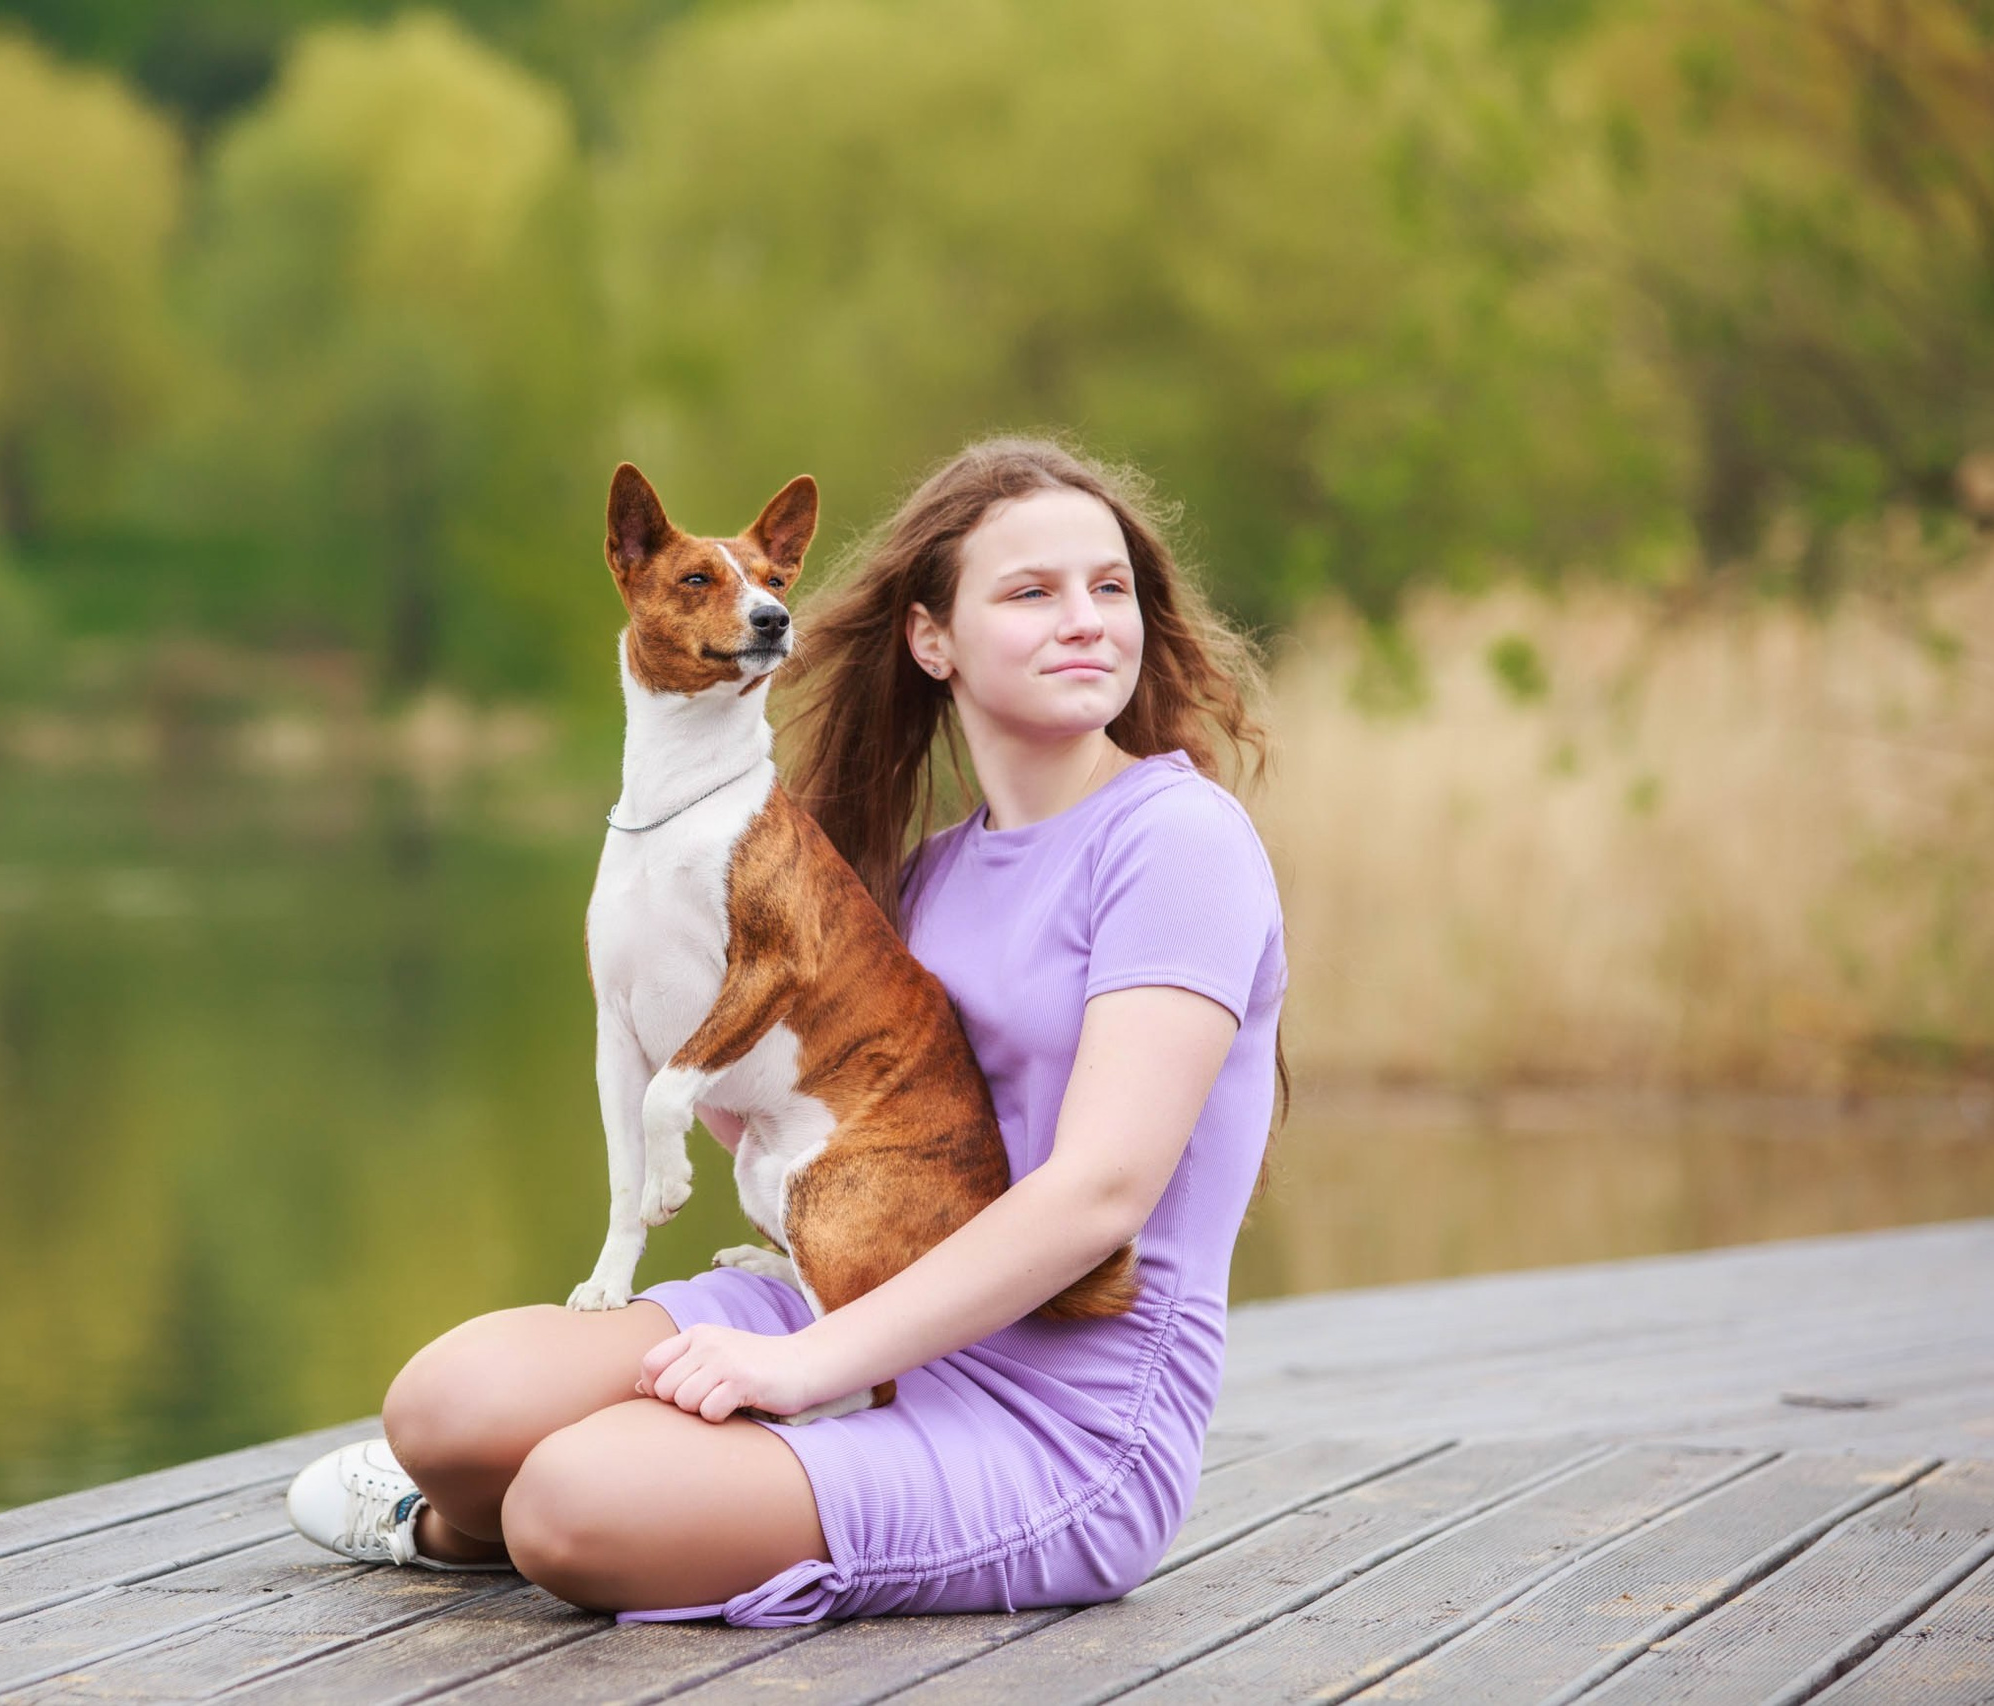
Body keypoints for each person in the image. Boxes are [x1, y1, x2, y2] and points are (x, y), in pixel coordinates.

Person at [285, 434, 1289, 1624]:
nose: (1084, 618)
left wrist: (802, 1366)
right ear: (932, 640)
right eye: (1031, 591)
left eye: (1107, 586)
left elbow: (1099, 1194)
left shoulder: (1176, 839)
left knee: (569, 1496)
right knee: (448, 1407)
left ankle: (522, 1520)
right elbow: (818, 1120)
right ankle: (492, 1507)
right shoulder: (924, 875)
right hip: (856, 1301)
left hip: (1056, 1423)